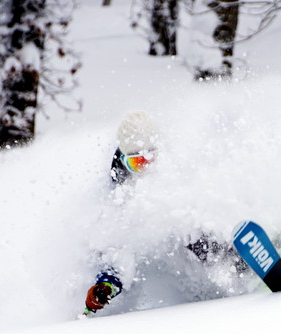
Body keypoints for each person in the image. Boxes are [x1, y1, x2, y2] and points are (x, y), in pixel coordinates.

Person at [83, 111, 246, 315]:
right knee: (183, 226)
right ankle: (235, 270)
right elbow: (117, 255)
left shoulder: (181, 167)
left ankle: (241, 260)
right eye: (137, 163)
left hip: (211, 251)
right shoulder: (120, 203)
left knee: (189, 222)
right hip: (195, 289)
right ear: (124, 162)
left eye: (150, 159)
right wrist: (106, 286)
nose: (145, 169)